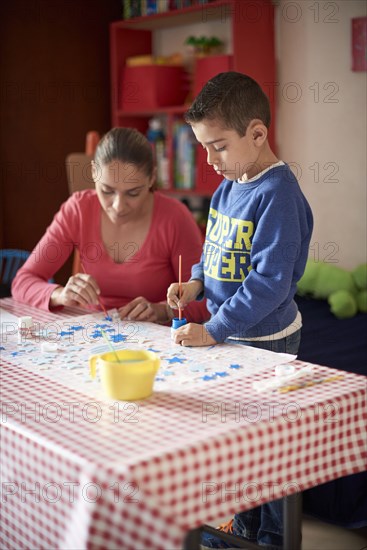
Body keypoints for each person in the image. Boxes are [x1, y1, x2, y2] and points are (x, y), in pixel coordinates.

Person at [167, 72, 314, 548]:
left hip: (267, 339)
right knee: (236, 443)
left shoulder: (279, 194)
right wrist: (195, 282)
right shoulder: (230, 185)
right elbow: (215, 250)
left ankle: (270, 537)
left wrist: (215, 328)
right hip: (232, 334)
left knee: (267, 448)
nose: (209, 160)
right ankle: (243, 528)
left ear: (257, 134)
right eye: (203, 147)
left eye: (219, 146)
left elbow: (270, 284)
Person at [12, 127, 209, 325]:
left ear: (151, 178)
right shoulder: (78, 210)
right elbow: (23, 281)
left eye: (133, 193)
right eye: (107, 190)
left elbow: (206, 301)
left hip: (157, 342)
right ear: (93, 173)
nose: (118, 206)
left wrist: (165, 310)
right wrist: (59, 294)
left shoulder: (175, 217)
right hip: (95, 334)